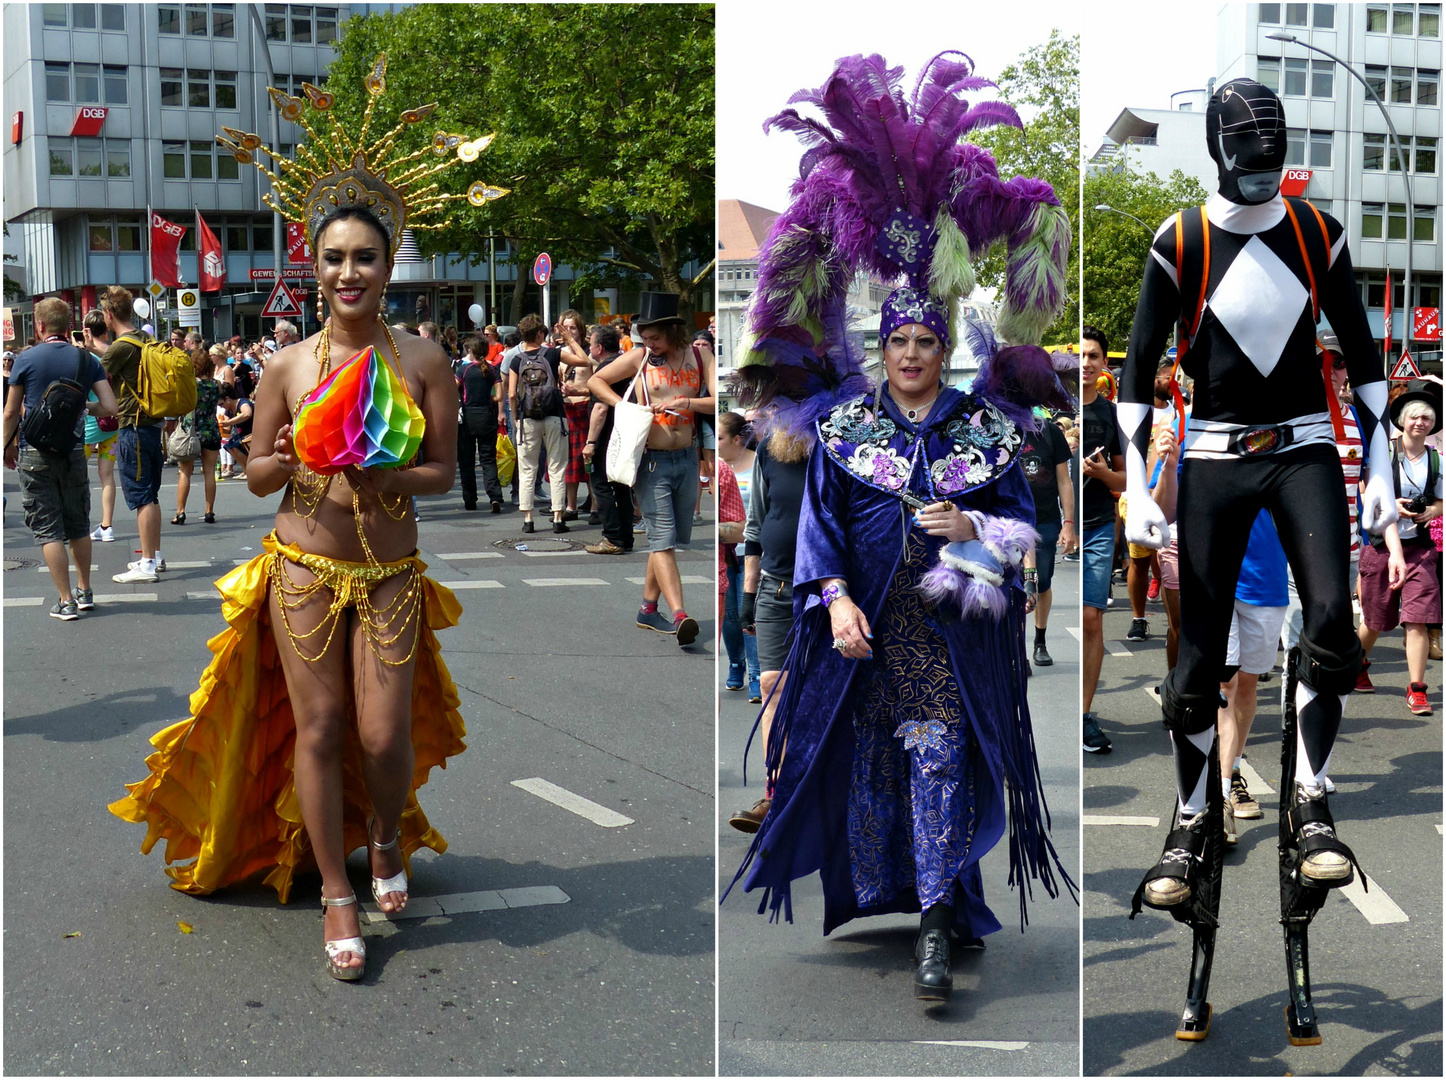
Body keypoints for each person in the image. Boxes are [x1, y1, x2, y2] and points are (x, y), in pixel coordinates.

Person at [110, 57, 486, 981]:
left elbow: (444, 467)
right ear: (310, 266)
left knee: (381, 736)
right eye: (333, 257)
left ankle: (386, 837)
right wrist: (301, 454)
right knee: (319, 733)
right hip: (304, 568)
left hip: (392, 572)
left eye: (365, 256)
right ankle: (335, 890)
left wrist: (397, 473)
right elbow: (254, 473)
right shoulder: (285, 366)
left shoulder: (426, 360)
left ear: (389, 263)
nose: (349, 271)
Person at [723, 52, 1076, 1004]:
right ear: (880, 347)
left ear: (941, 346)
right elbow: (819, 532)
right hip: (866, 636)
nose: (912, 354)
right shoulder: (844, 428)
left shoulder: (984, 430)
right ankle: (929, 893)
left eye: (926, 342)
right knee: (875, 769)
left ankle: (932, 924)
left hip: (951, 639)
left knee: (941, 760)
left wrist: (976, 526)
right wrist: (831, 601)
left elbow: (1025, 530)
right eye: (898, 342)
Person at [587, 293, 716, 647]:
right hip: (652, 461)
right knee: (662, 541)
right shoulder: (641, 356)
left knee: (668, 541)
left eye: (655, 337)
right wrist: (623, 406)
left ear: (673, 331)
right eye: (644, 336)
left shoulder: (701, 355)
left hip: (687, 458)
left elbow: (717, 400)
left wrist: (686, 402)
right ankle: (679, 615)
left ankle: (647, 608)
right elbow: (596, 381)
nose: (650, 343)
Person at [2, 297, 118, 619]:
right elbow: (110, 408)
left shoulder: (26, 360)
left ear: (39, 326)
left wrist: (6, 445)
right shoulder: (86, 359)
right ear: (69, 326)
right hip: (73, 450)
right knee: (78, 524)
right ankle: (85, 590)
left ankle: (65, 601)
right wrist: (84, 407)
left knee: (48, 528)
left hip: (35, 451)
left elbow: (11, 410)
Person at [1357, 385, 1441, 715]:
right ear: (1403, 421)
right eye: (1416, 416)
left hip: (1420, 548)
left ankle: (1417, 689)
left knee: (1418, 619)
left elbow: (1441, 499)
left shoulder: (1436, 459)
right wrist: (1394, 506)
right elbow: (1367, 493)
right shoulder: (1384, 454)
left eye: (1427, 418)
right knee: (1377, 618)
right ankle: (1358, 663)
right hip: (1380, 547)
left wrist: (1434, 510)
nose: (1421, 422)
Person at [101, 286, 170, 584]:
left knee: (142, 496)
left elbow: (99, 378)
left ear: (108, 314)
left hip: (134, 425)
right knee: (150, 494)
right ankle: (154, 555)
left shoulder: (119, 347)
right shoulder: (146, 338)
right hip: (153, 423)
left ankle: (148, 564)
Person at [1081, 326, 1124, 753]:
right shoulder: (1048, 411)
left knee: (1092, 618)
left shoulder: (1112, 416)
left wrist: (1102, 475)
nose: (1086, 363)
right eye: (1081, 355)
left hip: (1096, 524)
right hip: (1050, 527)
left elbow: (1127, 477)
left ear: (1103, 365)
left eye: (1094, 356)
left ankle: (1083, 715)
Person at [1017, 391, 1075, 668]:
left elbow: (1065, 481)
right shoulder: (1000, 431)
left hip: (1046, 522)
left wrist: (1069, 524)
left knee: (1042, 582)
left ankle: (1039, 642)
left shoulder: (1051, 432)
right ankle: (1017, 648)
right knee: (1013, 585)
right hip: (1010, 524)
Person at [508, 313, 571, 534]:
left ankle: (528, 519)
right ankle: (557, 518)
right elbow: (584, 360)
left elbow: (512, 394)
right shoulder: (553, 354)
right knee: (556, 467)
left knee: (527, 469)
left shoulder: (517, 360)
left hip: (528, 418)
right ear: (539, 334)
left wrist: (516, 418)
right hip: (555, 416)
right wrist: (569, 340)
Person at [581, 324, 634, 555]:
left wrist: (591, 442)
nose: (589, 347)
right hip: (625, 432)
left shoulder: (604, 372)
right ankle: (625, 537)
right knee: (621, 487)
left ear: (599, 348)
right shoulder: (624, 366)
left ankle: (612, 537)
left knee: (600, 485)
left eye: (591, 344)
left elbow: (600, 409)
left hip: (606, 437)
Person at [717, 411, 759, 695]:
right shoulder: (717, 467)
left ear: (736, 439)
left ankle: (757, 676)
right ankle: (736, 664)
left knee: (750, 616)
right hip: (726, 553)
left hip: (753, 552)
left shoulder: (758, 464)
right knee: (730, 618)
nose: (716, 443)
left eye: (720, 438)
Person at [81, 308, 120, 543]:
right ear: (105, 331)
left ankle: (77, 524)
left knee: (75, 475)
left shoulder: (86, 357)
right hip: (112, 423)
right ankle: (107, 526)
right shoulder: (110, 356)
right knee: (107, 475)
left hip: (89, 423)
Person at [456, 335, 505, 512]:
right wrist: (488, 397)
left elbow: (453, 388)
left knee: (466, 461)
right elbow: (499, 396)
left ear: (471, 350)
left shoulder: (464, 370)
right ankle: (495, 496)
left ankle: (470, 499)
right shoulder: (492, 370)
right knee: (488, 459)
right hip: (487, 416)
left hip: (468, 418)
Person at [173, 348, 221, 525]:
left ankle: (180, 512)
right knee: (209, 472)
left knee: (185, 472)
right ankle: (209, 511)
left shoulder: (190, 384)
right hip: (211, 429)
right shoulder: (217, 385)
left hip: (191, 430)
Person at [217, 384, 253, 478]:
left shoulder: (242, 403)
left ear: (228, 399)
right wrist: (219, 425)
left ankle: (250, 470)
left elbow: (247, 414)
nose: (221, 407)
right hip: (242, 434)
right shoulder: (228, 411)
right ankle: (245, 470)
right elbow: (228, 430)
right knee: (229, 445)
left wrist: (229, 422)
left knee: (237, 445)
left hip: (253, 432)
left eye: (221, 404)